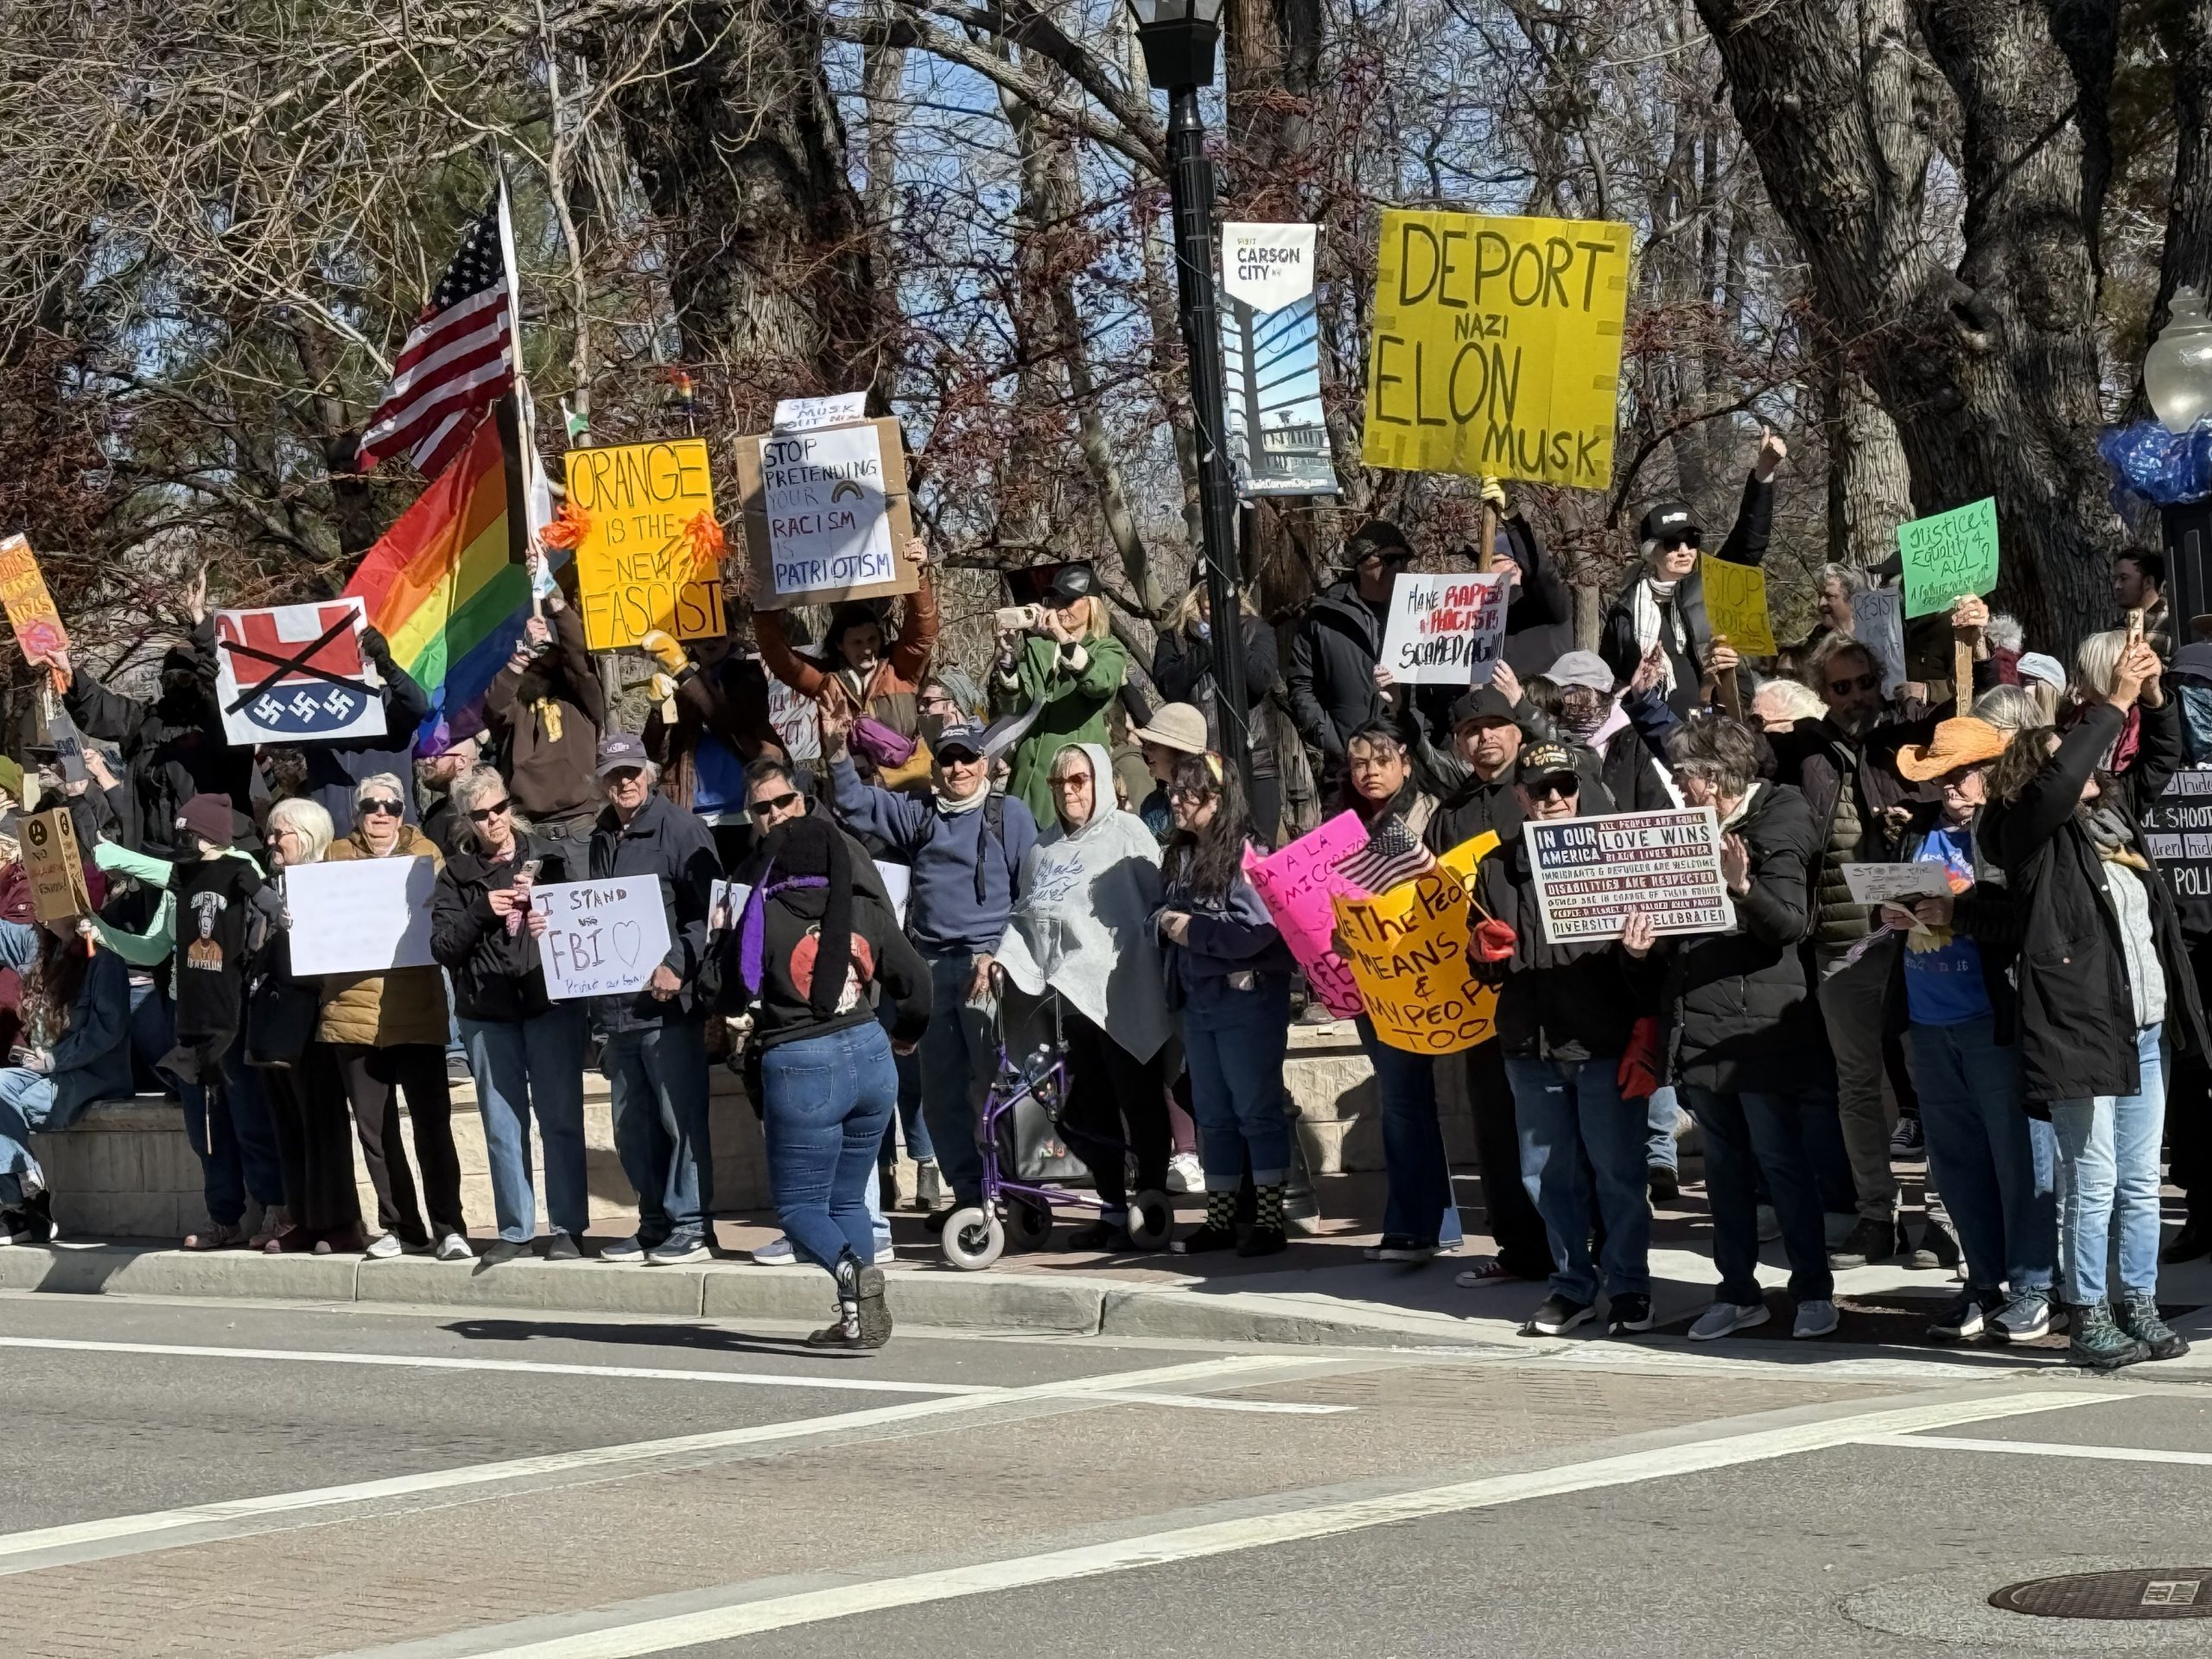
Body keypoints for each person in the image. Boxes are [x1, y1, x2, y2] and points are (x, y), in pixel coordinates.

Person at [1982, 640, 2204, 1369]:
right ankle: (2088, 1311)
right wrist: (2107, 705)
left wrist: (2151, 694)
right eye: (2065, 754)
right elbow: (2061, 780)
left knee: (2142, 1180)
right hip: (2078, 1030)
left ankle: (2137, 1299)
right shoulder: (2029, 834)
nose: (2089, 767)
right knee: (2094, 1177)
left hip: (2141, 1025)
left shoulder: (2114, 820)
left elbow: (2164, 752)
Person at [1767, 601, 1991, 1266]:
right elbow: (1741, 761)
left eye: (1866, 683)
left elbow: (1969, 730)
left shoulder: (1906, 735)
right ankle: (1875, 1215)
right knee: (1858, 1084)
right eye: (1843, 687)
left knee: (1935, 1082)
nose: (1859, 696)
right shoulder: (1802, 750)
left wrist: (1971, 645)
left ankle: (1947, 1213)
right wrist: (1717, 676)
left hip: (1921, 937)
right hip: (1841, 942)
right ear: (1822, 692)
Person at [1470, 743, 1659, 1337]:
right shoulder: (1496, 867)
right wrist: (1484, 955)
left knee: (1619, 1174)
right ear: (1522, 795)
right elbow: (1485, 963)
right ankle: (1572, 1285)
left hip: (1601, 1042)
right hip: (1529, 1045)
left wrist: (1638, 955)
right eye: (1541, 789)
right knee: (1547, 1178)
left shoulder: (1614, 859)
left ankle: (1628, 1286)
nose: (1555, 800)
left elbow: (1648, 972)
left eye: (1564, 788)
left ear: (1579, 791)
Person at [1661, 715, 1838, 1340]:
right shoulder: (1685, 830)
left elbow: (1789, 924)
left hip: (1758, 1027)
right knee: (1725, 1170)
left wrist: (1742, 888)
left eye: (1684, 776)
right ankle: (1737, 1290)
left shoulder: (1780, 819)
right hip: (1701, 1018)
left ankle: (1813, 1288)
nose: (1678, 787)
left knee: (1781, 1162)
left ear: (1714, 779)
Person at [824, 706, 1036, 1221]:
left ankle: (1017, 1189)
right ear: (936, 767)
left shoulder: (1010, 816)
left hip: (989, 968)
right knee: (940, 1092)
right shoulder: (920, 812)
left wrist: (1000, 955)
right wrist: (834, 752)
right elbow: (853, 805)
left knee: (998, 1086)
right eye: (947, 761)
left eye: (966, 759)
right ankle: (969, 1197)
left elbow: (1032, 897)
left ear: (984, 764)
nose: (957, 770)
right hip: (930, 969)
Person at [732, 815, 931, 1350]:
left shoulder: (764, 916)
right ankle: (858, 1321)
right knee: (847, 1202)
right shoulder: (866, 908)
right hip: (871, 1057)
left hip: (801, 1063)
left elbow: (727, 989)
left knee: (799, 1207)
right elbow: (917, 983)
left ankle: (848, 1272)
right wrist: (906, 1035)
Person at [1888, 717, 2057, 1342]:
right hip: (1929, 1023)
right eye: (1940, 778)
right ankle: (1984, 1283)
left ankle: (2036, 1284)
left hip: (1992, 1020)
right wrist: (1893, 911)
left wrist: (1958, 914)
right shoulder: (1918, 836)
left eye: (1960, 775)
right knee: (1957, 1165)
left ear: (1991, 774)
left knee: (2019, 1160)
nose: (1949, 789)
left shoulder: (2008, 837)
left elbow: (2025, 919)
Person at [994, 743, 1173, 1249]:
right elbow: (1027, 921)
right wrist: (1003, 961)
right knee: (1085, 1112)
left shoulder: (1128, 836)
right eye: (1059, 784)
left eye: (1078, 780)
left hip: (1124, 996)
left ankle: (1151, 1205)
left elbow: (1157, 906)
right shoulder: (1042, 851)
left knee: (1138, 1103)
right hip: (1069, 1002)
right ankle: (1114, 1209)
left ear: (1098, 780)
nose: (1069, 792)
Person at [90, 793, 288, 1250]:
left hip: (229, 1012)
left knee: (248, 1118)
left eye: (190, 834)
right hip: (186, 1013)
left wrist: (107, 853)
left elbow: (173, 872)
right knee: (205, 1127)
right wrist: (100, 930)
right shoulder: (182, 882)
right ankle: (225, 1218)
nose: (184, 842)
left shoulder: (238, 866)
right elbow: (154, 949)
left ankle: (277, 1211)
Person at [731, 758, 906, 1260]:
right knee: (817, 1166)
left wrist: (865, 989)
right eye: (762, 807)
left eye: (784, 801)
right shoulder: (753, 866)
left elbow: (880, 923)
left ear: (802, 801)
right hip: (788, 1027)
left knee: (849, 1167)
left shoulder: (840, 848)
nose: (775, 813)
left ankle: (867, 1232)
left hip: (849, 1017)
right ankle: (833, 1254)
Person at [430, 766, 588, 1264]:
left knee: (560, 1118)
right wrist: (480, 912)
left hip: (549, 1004)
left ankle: (568, 1227)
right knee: (502, 1124)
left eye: (499, 808)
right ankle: (516, 1229)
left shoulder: (549, 856)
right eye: (481, 814)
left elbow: (584, 921)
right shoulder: (456, 876)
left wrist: (554, 921)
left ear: (510, 806)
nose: (494, 820)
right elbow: (442, 948)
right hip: (487, 1011)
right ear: (467, 820)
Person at [319, 773, 470, 1260]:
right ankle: (401, 1227)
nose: (381, 814)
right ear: (356, 812)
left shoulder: (429, 857)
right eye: (370, 806)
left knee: (432, 1128)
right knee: (375, 1131)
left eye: (391, 805)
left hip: (417, 1014)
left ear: (404, 811)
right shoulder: (334, 857)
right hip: (353, 1015)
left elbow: (447, 925)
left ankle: (450, 1226)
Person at [1154, 752, 1296, 1255]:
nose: (1175, 799)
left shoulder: (1247, 853)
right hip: (1199, 1003)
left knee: (1257, 1111)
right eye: (1174, 789)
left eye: (1187, 792)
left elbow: (1261, 932)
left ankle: (1268, 1221)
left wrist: (1190, 930)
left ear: (1216, 800)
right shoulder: (1181, 855)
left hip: (1247, 1001)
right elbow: (1161, 913)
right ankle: (1219, 1221)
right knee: (1211, 1113)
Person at [589, 733, 721, 1264]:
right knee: (632, 1128)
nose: (623, 782)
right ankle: (654, 1223)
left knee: (680, 1120)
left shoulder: (682, 829)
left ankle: (692, 1226)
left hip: (668, 1010)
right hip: (617, 1013)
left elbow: (712, 913)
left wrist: (677, 965)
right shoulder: (599, 835)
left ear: (650, 773)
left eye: (631, 772)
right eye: (612, 774)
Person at [54, 569, 251, 861]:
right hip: (155, 854)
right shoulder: (147, 721)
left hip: (214, 856)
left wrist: (201, 622)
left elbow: (224, 683)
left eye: (186, 678)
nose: (178, 685)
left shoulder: (220, 724)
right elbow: (100, 708)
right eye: (170, 678)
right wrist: (68, 674)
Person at [1598, 428, 1785, 715]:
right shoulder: (1625, 610)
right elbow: (1613, 676)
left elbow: (1749, 542)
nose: (1684, 550)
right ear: (1652, 551)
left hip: (1714, 720)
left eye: (1691, 541)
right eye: (1672, 543)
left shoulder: (1712, 582)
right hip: (1650, 728)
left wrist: (1764, 472)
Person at [251, 798, 365, 1254]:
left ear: (311, 836)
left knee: (322, 1124)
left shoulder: (325, 884)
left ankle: (338, 1223)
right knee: (289, 1124)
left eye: (282, 833)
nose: (273, 841)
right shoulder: (271, 886)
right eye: (271, 834)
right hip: (274, 1019)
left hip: (316, 1020)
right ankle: (302, 1218)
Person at [0, 916, 133, 1247]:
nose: (41, 908)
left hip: (92, 1075)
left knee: (13, 1103)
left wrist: (56, 1060)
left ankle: (22, 1206)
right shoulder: (39, 947)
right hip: (45, 1071)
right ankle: (25, 1199)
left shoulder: (103, 961)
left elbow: (107, 1030)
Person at [755, 537, 937, 741]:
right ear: (840, 645)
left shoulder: (900, 673)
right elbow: (781, 659)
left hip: (908, 772)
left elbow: (923, 634)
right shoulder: (827, 683)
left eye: (872, 639)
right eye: (857, 643)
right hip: (850, 773)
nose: (867, 649)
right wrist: (763, 607)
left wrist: (918, 576)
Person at [485, 560, 607, 859]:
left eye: (549, 651)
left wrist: (551, 594)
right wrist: (521, 657)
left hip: (583, 828)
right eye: (536, 656)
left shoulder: (581, 696)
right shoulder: (519, 707)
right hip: (531, 832)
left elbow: (576, 654)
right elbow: (495, 705)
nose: (544, 657)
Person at [991, 563, 1130, 823]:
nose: (1058, 607)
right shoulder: (1039, 649)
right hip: (1025, 784)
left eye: (1067, 600)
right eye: (1054, 599)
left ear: (1092, 605)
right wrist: (1009, 660)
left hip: (1071, 786)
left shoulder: (1108, 650)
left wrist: (1062, 638)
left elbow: (1100, 684)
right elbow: (1017, 709)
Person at [639, 632, 786, 868]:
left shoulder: (748, 675)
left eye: (719, 633)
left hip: (742, 815)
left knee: (742, 891)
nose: (709, 641)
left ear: (732, 636)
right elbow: (651, 748)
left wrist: (683, 672)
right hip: (691, 814)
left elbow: (729, 721)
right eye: (700, 635)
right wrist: (657, 710)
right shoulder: (681, 680)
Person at [1152, 582, 1284, 844]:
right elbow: (1170, 687)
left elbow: (1260, 681)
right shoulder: (1174, 638)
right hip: (1201, 767)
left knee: (1258, 849)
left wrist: (1229, 639)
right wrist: (1207, 648)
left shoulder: (1257, 630)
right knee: (1208, 848)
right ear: (1195, 600)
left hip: (1255, 763)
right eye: (1207, 604)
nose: (1213, 609)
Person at [1286, 520, 1407, 791]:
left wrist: (1418, 734)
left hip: (1407, 764)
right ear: (1362, 562)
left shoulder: (1419, 612)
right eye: (1388, 559)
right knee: (1346, 835)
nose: (1398, 567)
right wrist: (1336, 742)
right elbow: (1301, 685)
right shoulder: (1323, 616)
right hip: (1344, 769)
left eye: (1403, 559)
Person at [300, 626, 433, 836]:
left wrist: (388, 668)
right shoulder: (311, 709)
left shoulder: (387, 701)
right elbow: (269, 738)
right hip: (331, 843)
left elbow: (418, 706)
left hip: (393, 838)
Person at [1131, 702, 1210, 843]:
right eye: (1146, 743)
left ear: (1178, 752)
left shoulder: (1210, 807)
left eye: (1153, 744)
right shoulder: (1153, 803)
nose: (1145, 750)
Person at [2114, 549, 2171, 662]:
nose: (2117, 586)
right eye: (2115, 579)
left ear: (2148, 582)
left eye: (2123, 578)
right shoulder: (2118, 628)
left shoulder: (2171, 624)